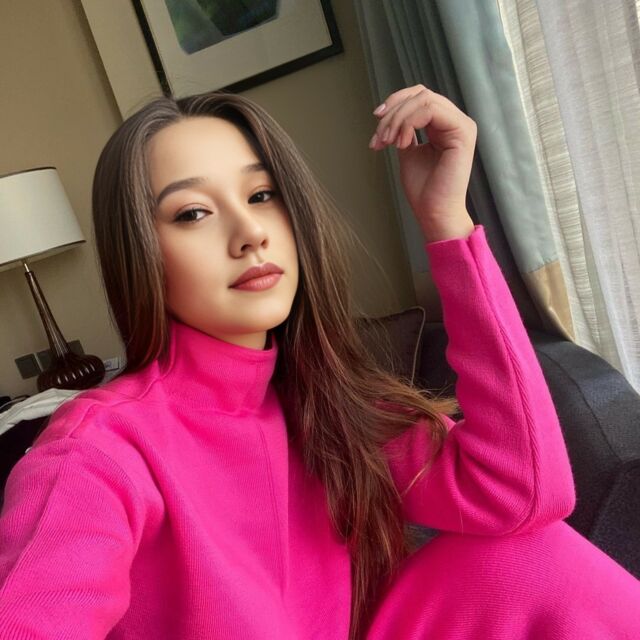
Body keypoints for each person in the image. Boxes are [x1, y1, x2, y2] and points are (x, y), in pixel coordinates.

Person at [0, 84, 638, 640]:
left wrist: (445, 222)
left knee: (530, 555)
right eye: (192, 212)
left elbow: (523, 495)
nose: (250, 233)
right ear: (141, 253)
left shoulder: (324, 401)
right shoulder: (97, 452)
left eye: (261, 195)